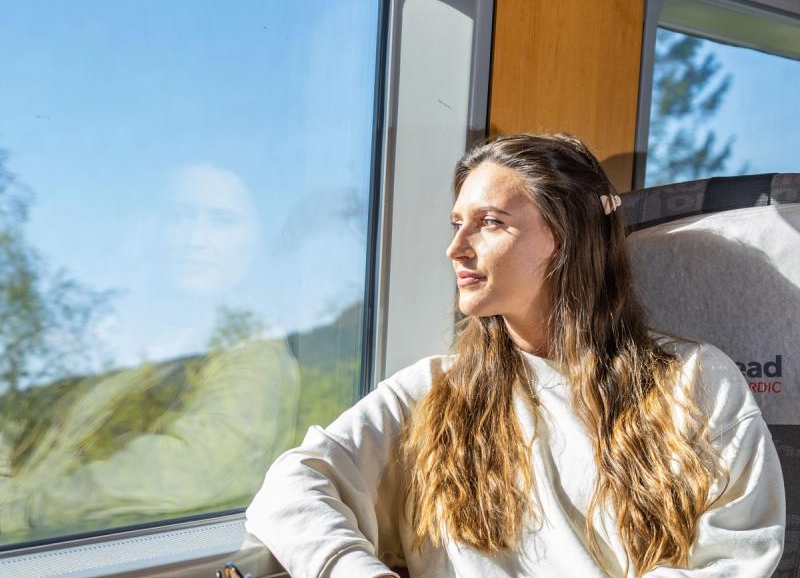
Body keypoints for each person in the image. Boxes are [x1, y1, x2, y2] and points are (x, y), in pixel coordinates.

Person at [245, 133, 785, 577]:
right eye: (458, 223)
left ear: (566, 238)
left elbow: (734, 560)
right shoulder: (436, 390)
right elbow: (293, 485)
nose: (456, 248)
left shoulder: (694, 382)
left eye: (491, 222)